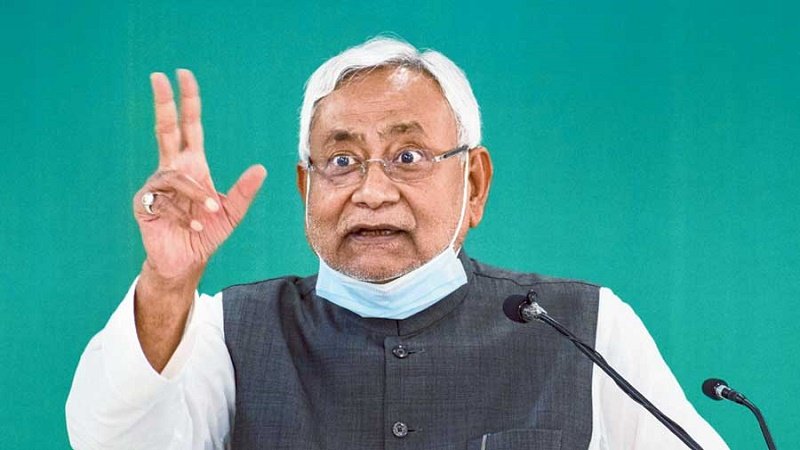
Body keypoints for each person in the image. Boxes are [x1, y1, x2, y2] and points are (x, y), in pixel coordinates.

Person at [66, 37, 728, 449]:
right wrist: (168, 283)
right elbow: (110, 439)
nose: (372, 191)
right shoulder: (228, 331)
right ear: (306, 187)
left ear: (474, 183)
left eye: (408, 157)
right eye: (342, 161)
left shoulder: (584, 327)